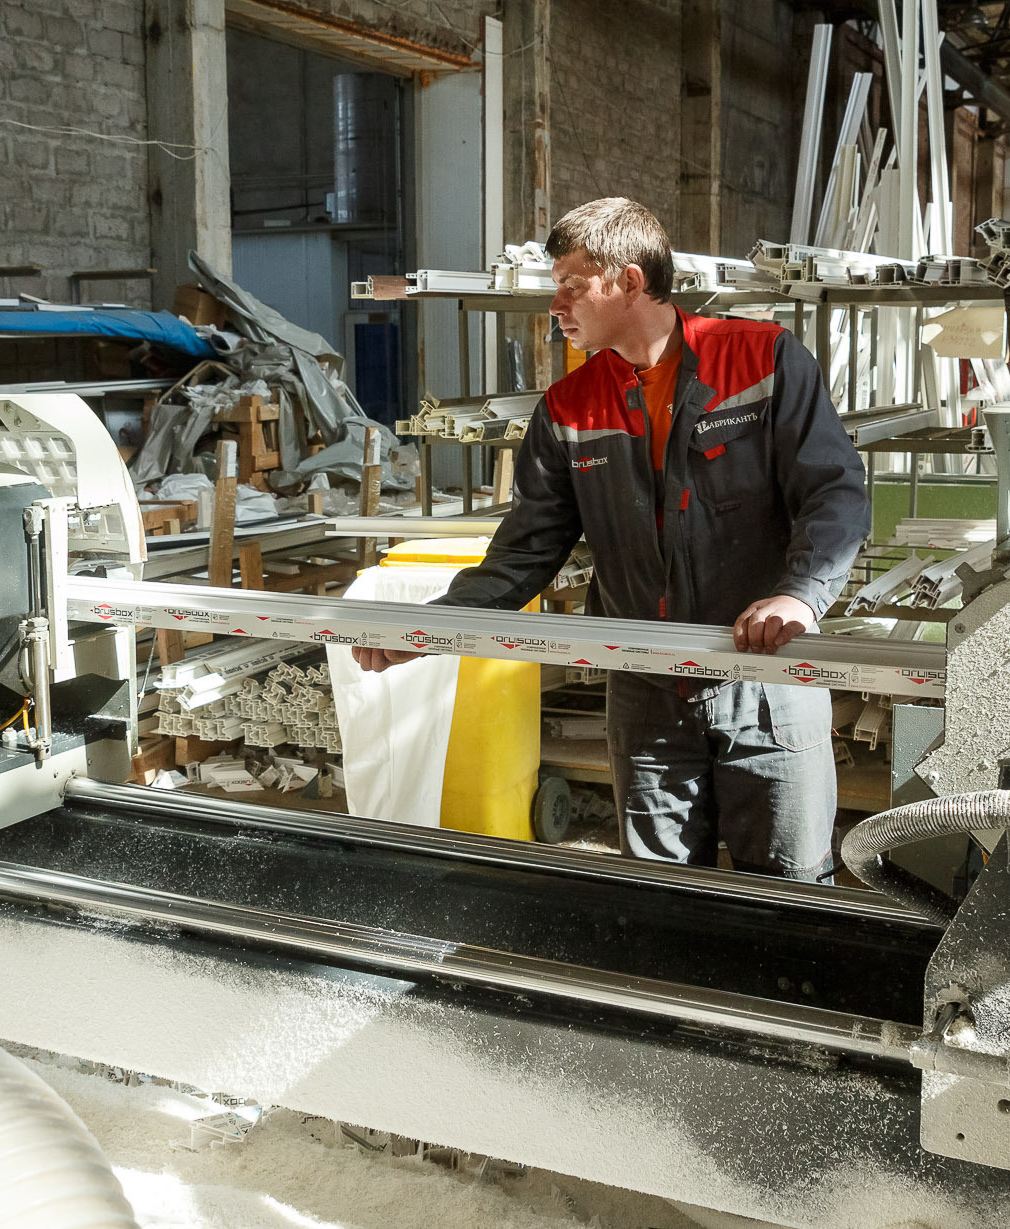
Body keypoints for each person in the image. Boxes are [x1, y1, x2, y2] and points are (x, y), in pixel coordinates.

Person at [352, 197, 868, 880]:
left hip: (767, 680)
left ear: (628, 280)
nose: (556, 303)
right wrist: (436, 626)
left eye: (571, 282)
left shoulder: (761, 360)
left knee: (790, 890)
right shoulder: (569, 407)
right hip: (647, 691)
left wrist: (800, 595)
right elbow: (524, 552)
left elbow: (835, 489)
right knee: (654, 898)